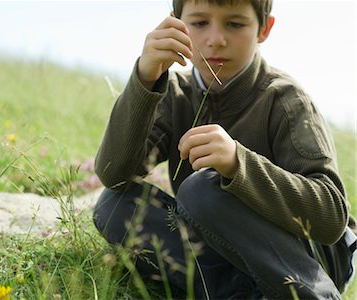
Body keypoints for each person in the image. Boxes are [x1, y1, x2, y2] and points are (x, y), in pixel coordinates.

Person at [92, 0, 357, 298]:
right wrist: (145, 76)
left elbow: (332, 216)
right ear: (176, 25)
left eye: (234, 24)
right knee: (112, 204)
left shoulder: (285, 99)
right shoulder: (173, 94)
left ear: (264, 29)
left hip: (313, 261)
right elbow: (114, 175)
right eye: (200, 23)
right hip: (228, 252)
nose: (216, 39)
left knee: (201, 189)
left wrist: (238, 164)